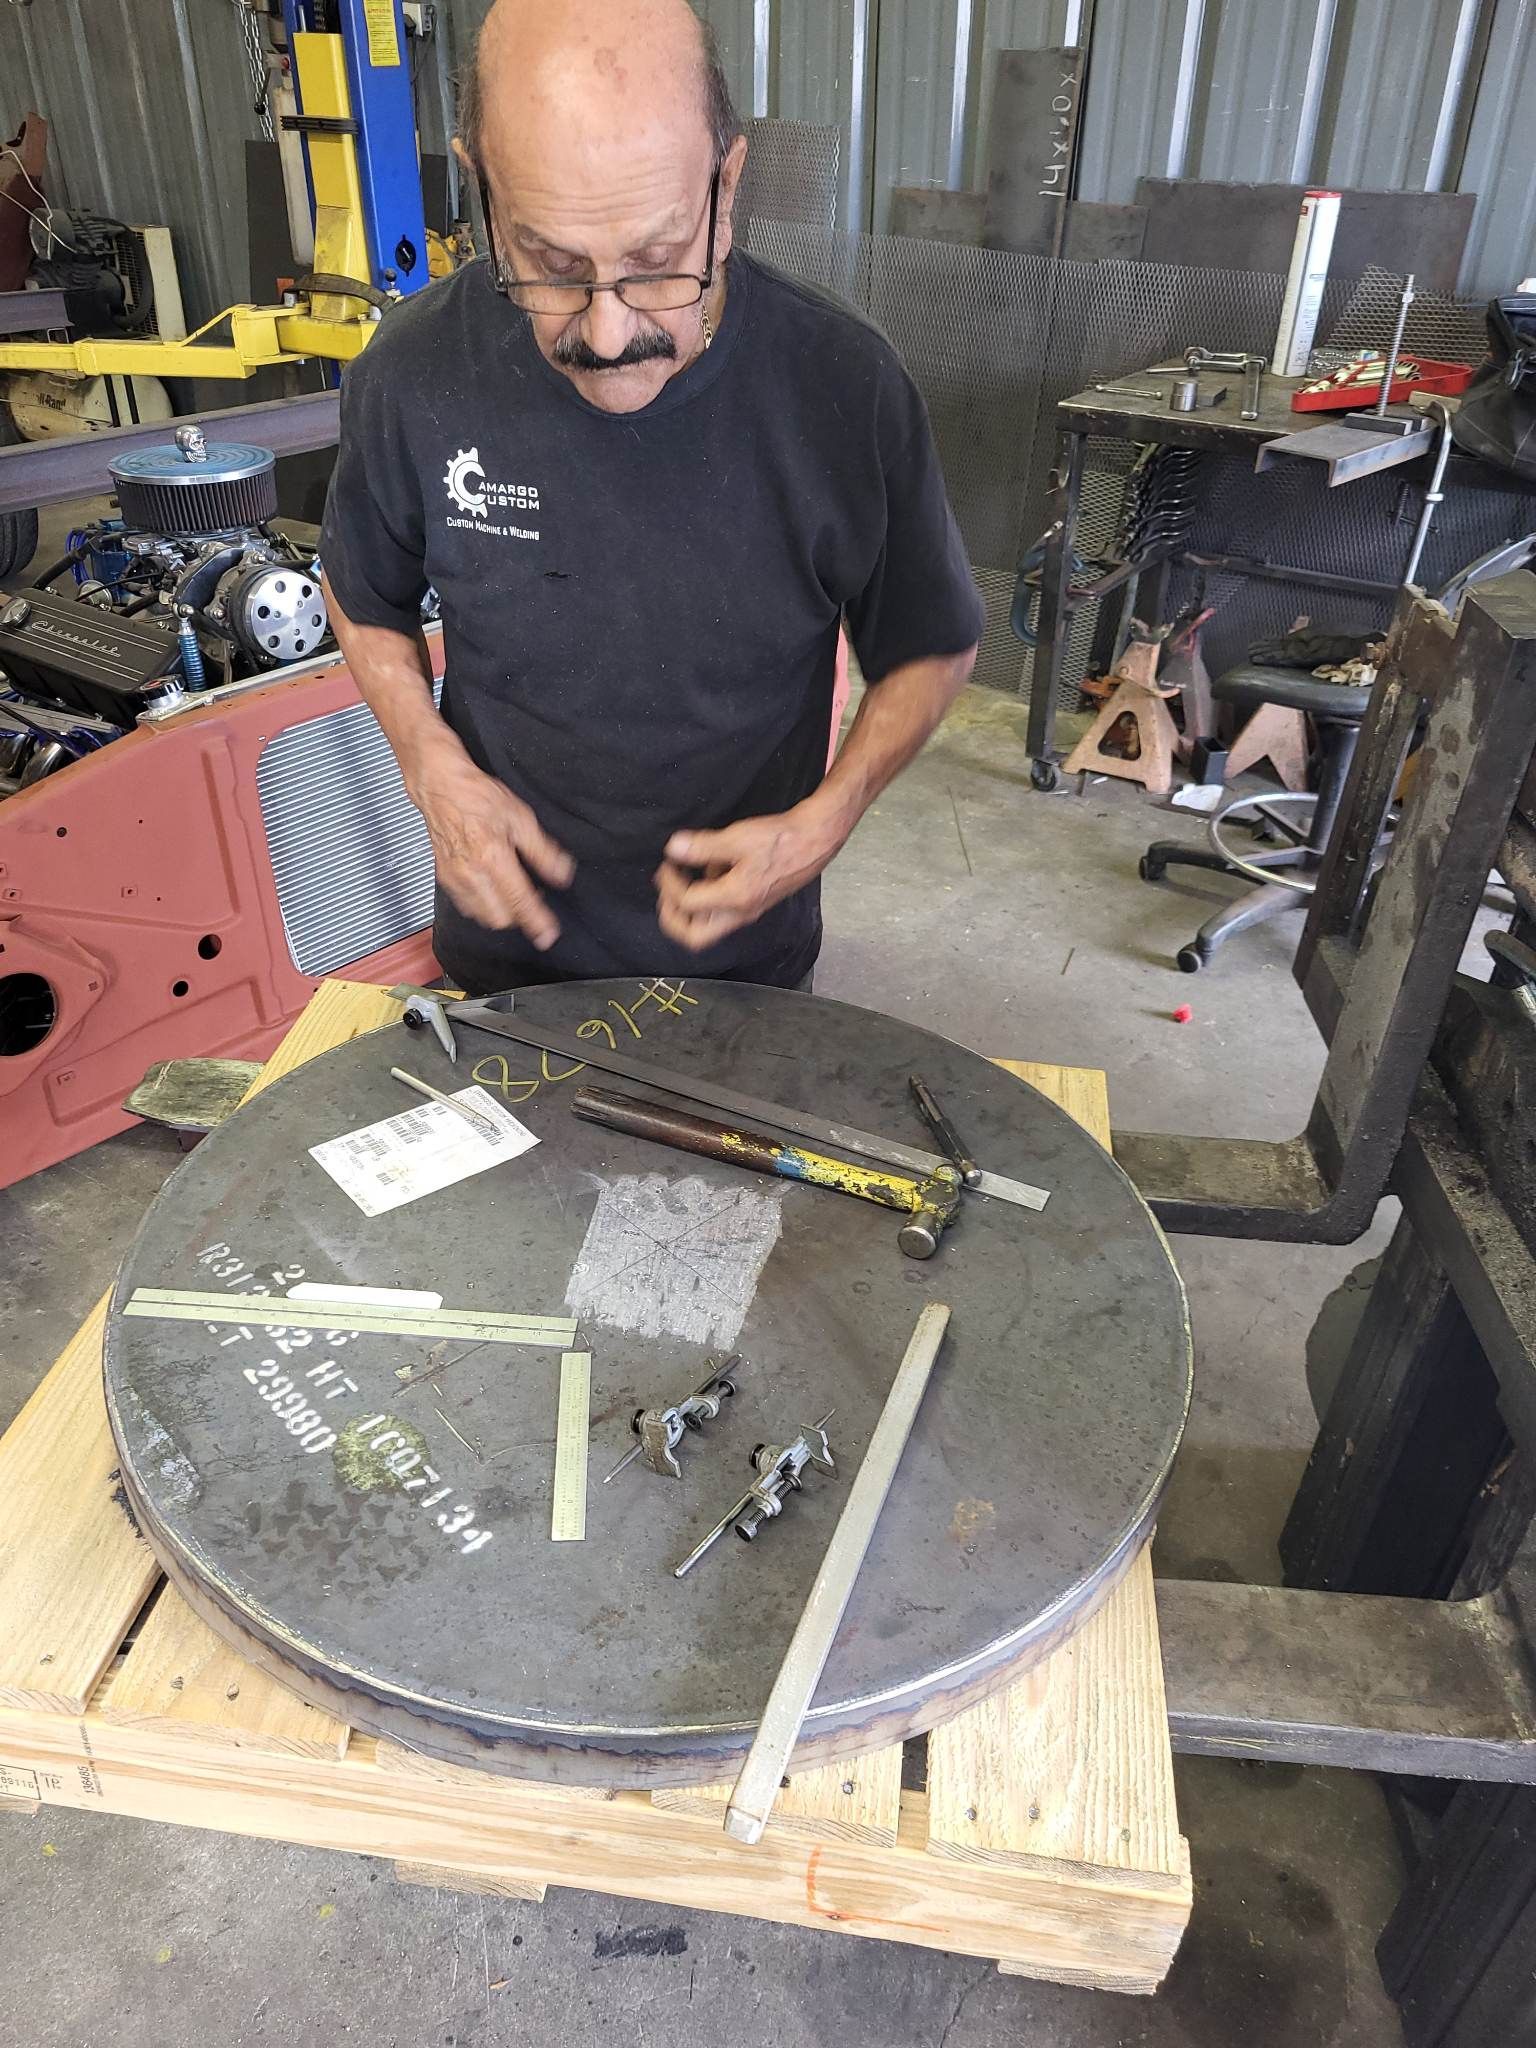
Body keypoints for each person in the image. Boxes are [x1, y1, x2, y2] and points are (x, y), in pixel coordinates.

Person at [319, 0, 983, 996]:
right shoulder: (414, 374)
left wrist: (826, 820)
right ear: (481, 186)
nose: (608, 330)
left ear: (727, 182)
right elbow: (362, 592)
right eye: (549, 265)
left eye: (657, 261)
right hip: (502, 963)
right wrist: (430, 766)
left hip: (743, 965)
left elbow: (931, 644)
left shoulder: (843, 386)